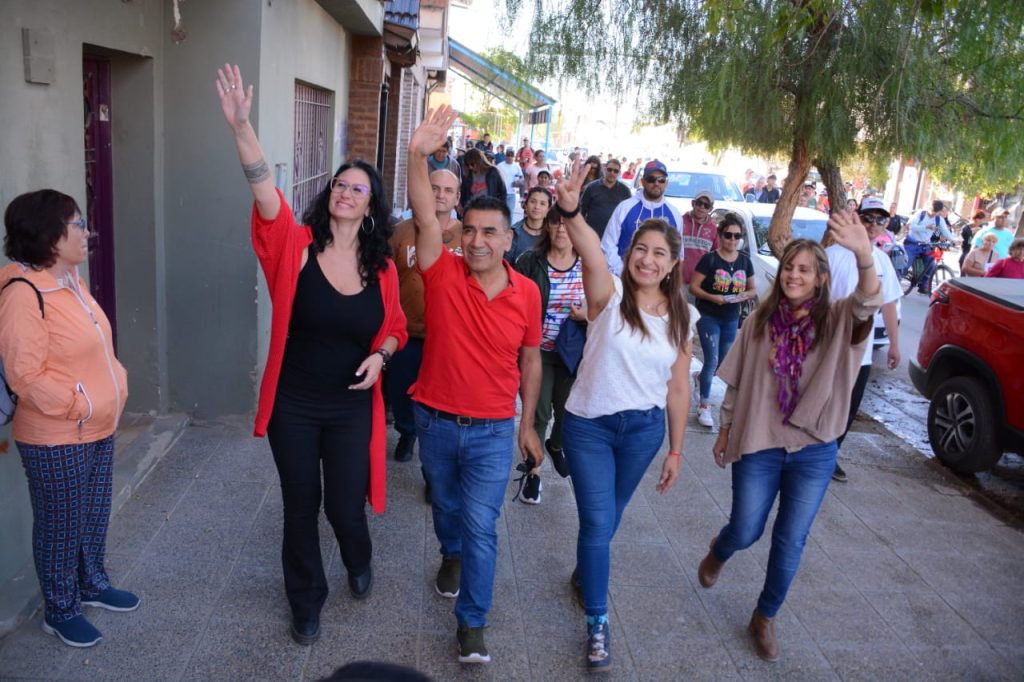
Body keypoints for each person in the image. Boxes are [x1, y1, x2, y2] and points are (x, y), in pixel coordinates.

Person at [216, 65, 408, 646]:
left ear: (371, 206)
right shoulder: (294, 246)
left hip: (351, 405)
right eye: (339, 185)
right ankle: (306, 600)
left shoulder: (383, 269)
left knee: (344, 507)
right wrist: (242, 127)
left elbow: (396, 328)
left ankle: (358, 556)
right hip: (294, 403)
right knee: (301, 503)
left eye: (357, 188)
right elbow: (263, 191)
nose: (345, 192)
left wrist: (383, 356)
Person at [698, 210, 882, 662]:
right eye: (788, 268)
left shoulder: (838, 320)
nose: (793, 275)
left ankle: (765, 616)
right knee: (746, 528)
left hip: (814, 448)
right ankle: (721, 549)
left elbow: (867, 302)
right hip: (759, 441)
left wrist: (864, 255)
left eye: (804, 269)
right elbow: (736, 383)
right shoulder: (759, 321)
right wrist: (724, 430)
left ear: (821, 279)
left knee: (790, 539)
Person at [407, 105, 543, 665]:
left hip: (491, 430)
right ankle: (450, 553)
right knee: (446, 508)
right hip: (435, 421)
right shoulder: (442, 272)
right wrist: (416, 154)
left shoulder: (527, 293)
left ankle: (473, 624)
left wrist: (527, 426)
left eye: (490, 232)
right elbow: (423, 214)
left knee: (483, 526)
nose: (479, 240)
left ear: (509, 239)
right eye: (471, 230)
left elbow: (531, 360)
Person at [555, 159, 695, 673]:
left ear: (672, 263)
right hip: (589, 426)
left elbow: (678, 388)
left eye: (659, 253)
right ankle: (597, 621)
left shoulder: (682, 315)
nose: (648, 260)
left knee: (607, 521)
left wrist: (676, 449)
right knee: (597, 521)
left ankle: (584, 574)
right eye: (641, 249)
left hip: (642, 433)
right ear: (629, 252)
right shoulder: (608, 294)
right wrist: (572, 210)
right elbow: (591, 250)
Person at [0, 190, 134, 648]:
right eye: (78, 224)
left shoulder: (71, 281)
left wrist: (115, 384)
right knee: (60, 525)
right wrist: (81, 405)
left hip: (97, 425)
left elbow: (94, 347)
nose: (87, 232)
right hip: (56, 434)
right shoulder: (23, 294)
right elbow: (25, 375)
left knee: (92, 514)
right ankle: (60, 610)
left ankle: (92, 584)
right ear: (49, 234)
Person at [387, 170, 463, 464]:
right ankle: (407, 433)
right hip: (406, 331)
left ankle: (437, 458)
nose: (440, 194)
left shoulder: (467, 235)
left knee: (442, 399)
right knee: (401, 391)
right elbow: (386, 279)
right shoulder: (400, 232)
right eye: (434, 188)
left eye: (448, 190)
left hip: (448, 337)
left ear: (457, 197)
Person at [826, 196, 902, 483]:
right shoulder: (832, 255)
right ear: (857, 217)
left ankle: (830, 455)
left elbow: (889, 303)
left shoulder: (882, 261)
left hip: (863, 351)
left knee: (849, 406)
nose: (873, 224)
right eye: (868, 217)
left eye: (880, 219)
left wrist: (894, 345)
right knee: (823, 399)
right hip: (829, 346)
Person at [512, 207, 586, 503]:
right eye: (556, 223)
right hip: (538, 352)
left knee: (569, 413)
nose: (561, 229)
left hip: (573, 354)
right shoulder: (530, 261)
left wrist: (587, 315)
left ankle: (556, 446)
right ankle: (533, 472)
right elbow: (513, 301)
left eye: (567, 224)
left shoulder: (589, 264)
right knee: (539, 413)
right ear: (547, 226)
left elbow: (605, 304)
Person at [689, 213, 756, 428]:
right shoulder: (709, 259)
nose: (732, 240)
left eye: (737, 236)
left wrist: (744, 295)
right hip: (709, 315)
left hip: (731, 317)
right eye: (728, 235)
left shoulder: (744, 261)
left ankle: (699, 379)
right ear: (720, 235)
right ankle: (704, 405)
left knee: (721, 362)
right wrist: (712, 297)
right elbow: (694, 287)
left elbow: (753, 289)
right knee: (712, 359)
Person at [600, 159, 682, 276]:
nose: (656, 183)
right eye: (651, 179)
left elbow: (678, 252)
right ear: (642, 182)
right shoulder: (624, 207)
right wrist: (623, 272)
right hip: (623, 278)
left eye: (661, 179)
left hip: (658, 281)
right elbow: (608, 244)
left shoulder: (675, 214)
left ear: (666, 183)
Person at [906, 200, 953, 294]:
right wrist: (926, 227)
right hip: (912, 243)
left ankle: (923, 286)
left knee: (931, 265)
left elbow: (945, 231)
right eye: (932, 211)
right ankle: (897, 280)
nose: (933, 214)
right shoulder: (920, 214)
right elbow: (912, 227)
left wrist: (953, 240)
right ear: (929, 207)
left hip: (925, 245)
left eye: (936, 212)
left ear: (939, 211)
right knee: (906, 263)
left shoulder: (939, 219)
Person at [579, 157, 631, 238]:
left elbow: (628, 214)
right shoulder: (591, 187)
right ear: (605, 170)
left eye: (616, 171)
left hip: (614, 237)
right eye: (610, 170)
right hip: (592, 236)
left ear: (619, 173)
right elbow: (582, 210)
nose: (612, 173)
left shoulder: (625, 191)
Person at [680, 190, 721, 286]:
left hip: (700, 285)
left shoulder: (714, 229)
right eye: (699, 203)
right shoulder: (680, 221)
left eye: (706, 205)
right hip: (678, 282)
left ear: (710, 209)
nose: (702, 207)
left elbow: (717, 257)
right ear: (693, 203)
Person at [507, 187, 553, 264]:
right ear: (525, 205)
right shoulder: (513, 233)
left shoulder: (553, 233)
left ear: (548, 209)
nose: (537, 207)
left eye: (542, 204)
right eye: (533, 202)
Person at [459, 148, 507, 213]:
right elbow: (463, 195)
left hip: (490, 211)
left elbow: (502, 193)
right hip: (472, 211)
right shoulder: (467, 176)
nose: (470, 167)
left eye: (472, 164)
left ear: (479, 161)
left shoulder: (493, 172)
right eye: (467, 165)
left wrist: (500, 210)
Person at [495, 148, 524, 217]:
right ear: (505, 155)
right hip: (501, 194)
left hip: (512, 194)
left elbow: (522, 177)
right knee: (500, 214)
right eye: (508, 155)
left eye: (511, 155)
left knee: (510, 214)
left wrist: (519, 181)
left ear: (514, 156)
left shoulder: (517, 166)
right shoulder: (499, 166)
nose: (510, 157)